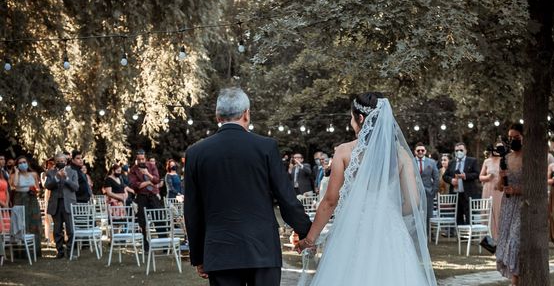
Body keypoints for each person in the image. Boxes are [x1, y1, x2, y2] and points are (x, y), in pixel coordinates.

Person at [295, 93, 437, 285]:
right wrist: (390, 212)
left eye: (351, 118)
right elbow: (414, 202)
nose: (351, 122)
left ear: (360, 118)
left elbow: (329, 202)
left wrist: (309, 240)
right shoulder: (402, 155)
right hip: (391, 232)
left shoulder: (345, 151)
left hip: (354, 230)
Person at [184, 87, 311, 286]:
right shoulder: (266, 147)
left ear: (217, 116)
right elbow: (286, 198)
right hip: (262, 248)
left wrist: (199, 255)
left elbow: (192, 210)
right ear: (246, 113)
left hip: (220, 251)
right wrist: (305, 232)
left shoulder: (196, 153)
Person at [496, 124, 524, 286]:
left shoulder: (530, 158)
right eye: (510, 138)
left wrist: (517, 189)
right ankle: (515, 278)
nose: (513, 140)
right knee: (506, 238)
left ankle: (515, 281)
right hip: (507, 205)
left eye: (516, 137)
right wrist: (501, 178)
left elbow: (536, 186)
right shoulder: (506, 158)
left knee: (515, 240)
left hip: (522, 205)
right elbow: (500, 187)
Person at [45, 152, 79, 258]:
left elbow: (76, 187)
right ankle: (60, 251)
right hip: (56, 204)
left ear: (66, 161)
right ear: (55, 162)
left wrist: (67, 179)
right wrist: (56, 178)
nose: (61, 163)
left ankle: (70, 251)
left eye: (63, 161)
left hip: (68, 204)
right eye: (58, 161)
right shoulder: (50, 172)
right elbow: (47, 186)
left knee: (71, 230)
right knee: (57, 230)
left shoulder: (72, 172)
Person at [129, 149, 162, 248]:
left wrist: (147, 174)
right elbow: (135, 185)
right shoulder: (133, 170)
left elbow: (156, 180)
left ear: (145, 158)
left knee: (159, 217)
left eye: (142, 159)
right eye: (139, 159)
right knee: (142, 221)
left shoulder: (151, 166)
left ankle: (164, 242)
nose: (141, 161)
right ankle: (145, 244)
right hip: (142, 197)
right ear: (136, 159)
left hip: (153, 195)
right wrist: (148, 182)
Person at [9, 156, 42, 256]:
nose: (23, 164)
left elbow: (38, 188)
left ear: (27, 163)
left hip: (31, 199)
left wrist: (34, 190)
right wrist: (17, 172)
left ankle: (35, 251)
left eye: (24, 162)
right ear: (17, 165)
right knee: (21, 223)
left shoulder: (34, 174)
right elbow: (14, 185)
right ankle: (21, 252)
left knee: (34, 223)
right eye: (20, 163)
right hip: (19, 199)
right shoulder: (14, 175)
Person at [443, 142, 480, 225]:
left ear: (465, 151)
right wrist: (451, 180)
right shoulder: (452, 162)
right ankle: (460, 237)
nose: (459, 152)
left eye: (461, 150)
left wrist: (465, 176)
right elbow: (445, 176)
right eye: (456, 150)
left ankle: (469, 236)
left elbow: (477, 174)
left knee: (469, 216)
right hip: (455, 194)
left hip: (468, 193)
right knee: (458, 216)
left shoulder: (472, 161)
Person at [480, 142, 504, 239]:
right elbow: (480, 177)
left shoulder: (504, 160)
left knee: (498, 211)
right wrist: (488, 177)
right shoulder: (487, 161)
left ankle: (498, 236)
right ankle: (487, 238)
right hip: (488, 188)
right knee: (487, 211)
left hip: (499, 189)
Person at [415, 142, 438, 230]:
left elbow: (436, 177)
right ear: (415, 151)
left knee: (429, 214)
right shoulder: (411, 161)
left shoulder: (431, 162)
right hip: (415, 193)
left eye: (422, 150)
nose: (420, 152)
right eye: (418, 150)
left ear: (425, 151)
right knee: (415, 214)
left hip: (429, 192)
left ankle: (429, 233)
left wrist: (434, 191)